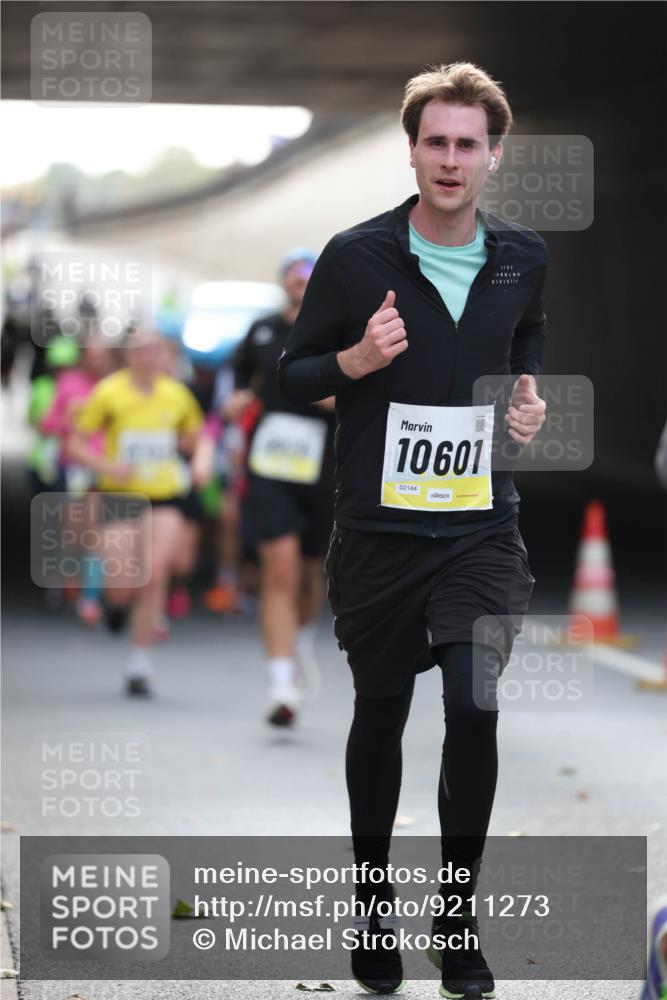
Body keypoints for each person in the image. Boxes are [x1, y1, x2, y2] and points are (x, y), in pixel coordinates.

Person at [278, 62, 548, 998]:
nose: (448, 159)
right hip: (381, 534)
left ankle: (459, 921)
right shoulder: (356, 257)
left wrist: (525, 401)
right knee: (380, 713)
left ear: (491, 156)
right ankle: (370, 908)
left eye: (465, 143)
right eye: (433, 141)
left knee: (474, 704)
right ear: (412, 149)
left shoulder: (521, 256)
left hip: (479, 528)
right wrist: (353, 357)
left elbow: (526, 340)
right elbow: (287, 375)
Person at [226, 249, 336, 726]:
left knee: (313, 572)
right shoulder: (263, 330)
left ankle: (302, 634)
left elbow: (356, 389)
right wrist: (237, 405)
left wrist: (325, 392)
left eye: (309, 275)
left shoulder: (341, 329)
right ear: (283, 283)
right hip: (271, 461)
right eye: (293, 274)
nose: (301, 281)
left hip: (324, 464)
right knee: (280, 570)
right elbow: (240, 387)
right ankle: (281, 683)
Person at [68, 327, 205, 696]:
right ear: (128, 355)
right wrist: (108, 467)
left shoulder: (176, 395)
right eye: (140, 350)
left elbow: (197, 436)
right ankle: (117, 607)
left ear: (164, 355)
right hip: (120, 495)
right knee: (124, 580)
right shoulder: (109, 392)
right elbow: (76, 443)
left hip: (165, 498)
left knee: (155, 572)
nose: (147, 356)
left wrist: (200, 460)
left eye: (154, 350)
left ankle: (139, 664)